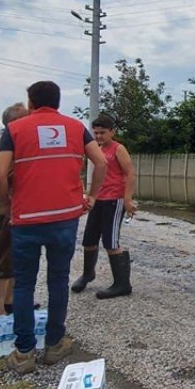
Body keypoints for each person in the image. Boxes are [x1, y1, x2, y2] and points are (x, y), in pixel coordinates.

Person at [0, 81, 107, 375]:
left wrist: (6, 205)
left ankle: (24, 352)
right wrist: (91, 197)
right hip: (64, 218)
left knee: (25, 283)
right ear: (57, 101)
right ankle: (55, 345)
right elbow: (100, 163)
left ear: (30, 103)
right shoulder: (75, 127)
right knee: (58, 281)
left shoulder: (15, 130)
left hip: (27, 220)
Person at [72, 113, 136, 299]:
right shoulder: (96, 148)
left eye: (103, 132)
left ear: (112, 132)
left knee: (111, 241)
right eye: (96, 132)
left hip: (114, 200)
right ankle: (87, 274)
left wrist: (128, 199)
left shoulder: (118, 149)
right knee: (89, 240)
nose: (99, 136)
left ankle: (122, 284)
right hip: (98, 198)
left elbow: (130, 174)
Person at [0, 102, 30, 318]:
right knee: (4, 255)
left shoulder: (11, 139)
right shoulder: (5, 142)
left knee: (15, 256)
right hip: (8, 209)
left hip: (14, 208)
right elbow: (5, 177)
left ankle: (10, 301)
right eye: (26, 117)